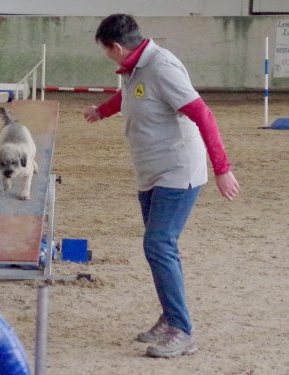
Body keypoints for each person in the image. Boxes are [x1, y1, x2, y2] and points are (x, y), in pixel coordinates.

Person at [84, 14, 240, 358]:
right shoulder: (132, 68)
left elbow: (203, 115)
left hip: (177, 169)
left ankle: (182, 330)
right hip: (151, 170)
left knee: (158, 244)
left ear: (117, 47)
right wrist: (101, 111)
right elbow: (129, 99)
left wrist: (223, 169)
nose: (106, 56)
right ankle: (171, 317)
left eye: (105, 51)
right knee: (161, 249)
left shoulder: (162, 68)